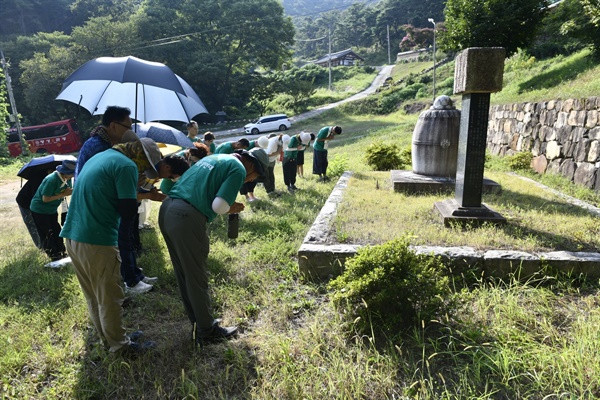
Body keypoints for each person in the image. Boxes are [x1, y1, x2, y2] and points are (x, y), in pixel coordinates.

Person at [60, 138, 174, 353]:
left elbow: (110, 195)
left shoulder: (101, 158)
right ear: (140, 157)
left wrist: (140, 191)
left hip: (74, 235)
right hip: (97, 240)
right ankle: (121, 346)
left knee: (94, 296)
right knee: (110, 297)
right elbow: (128, 210)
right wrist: (139, 189)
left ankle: (110, 338)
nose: (144, 173)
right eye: (145, 168)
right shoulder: (127, 166)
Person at [158, 150, 265, 347]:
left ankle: (198, 322)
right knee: (196, 275)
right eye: (253, 178)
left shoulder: (213, 159)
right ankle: (207, 331)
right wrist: (230, 208)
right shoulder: (238, 168)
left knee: (183, 272)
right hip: (185, 218)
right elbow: (218, 206)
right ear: (251, 166)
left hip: (167, 210)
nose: (248, 181)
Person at [75, 106, 138, 180]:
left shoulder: (102, 142)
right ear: (113, 126)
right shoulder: (99, 147)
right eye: (128, 128)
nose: (130, 131)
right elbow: (104, 182)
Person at [30, 160, 76, 261]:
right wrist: (63, 194)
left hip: (52, 209)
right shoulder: (51, 179)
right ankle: (54, 256)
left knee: (57, 230)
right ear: (67, 172)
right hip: (39, 210)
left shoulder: (67, 179)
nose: (74, 175)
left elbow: (67, 191)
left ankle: (62, 252)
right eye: (73, 173)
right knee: (47, 233)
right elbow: (45, 199)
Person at [16, 169, 54, 249]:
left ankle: (48, 246)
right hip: (25, 202)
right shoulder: (38, 178)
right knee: (32, 224)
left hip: (36, 203)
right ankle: (41, 247)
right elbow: (37, 198)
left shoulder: (52, 178)